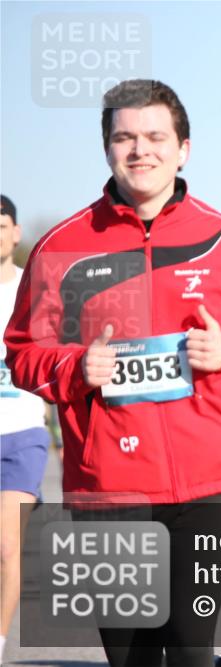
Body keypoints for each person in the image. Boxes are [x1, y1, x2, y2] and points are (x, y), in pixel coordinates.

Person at [3, 80, 221, 667]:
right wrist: (75, 366)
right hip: (109, 483)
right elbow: (22, 355)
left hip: (211, 482)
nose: (140, 150)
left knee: (192, 650)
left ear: (183, 148)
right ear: (107, 148)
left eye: (155, 137)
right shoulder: (61, 248)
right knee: (132, 657)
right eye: (124, 137)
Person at [0, 195, 52, 663]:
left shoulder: (31, 290)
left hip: (22, 434)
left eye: (1, 225)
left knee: (7, 542)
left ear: (15, 233)